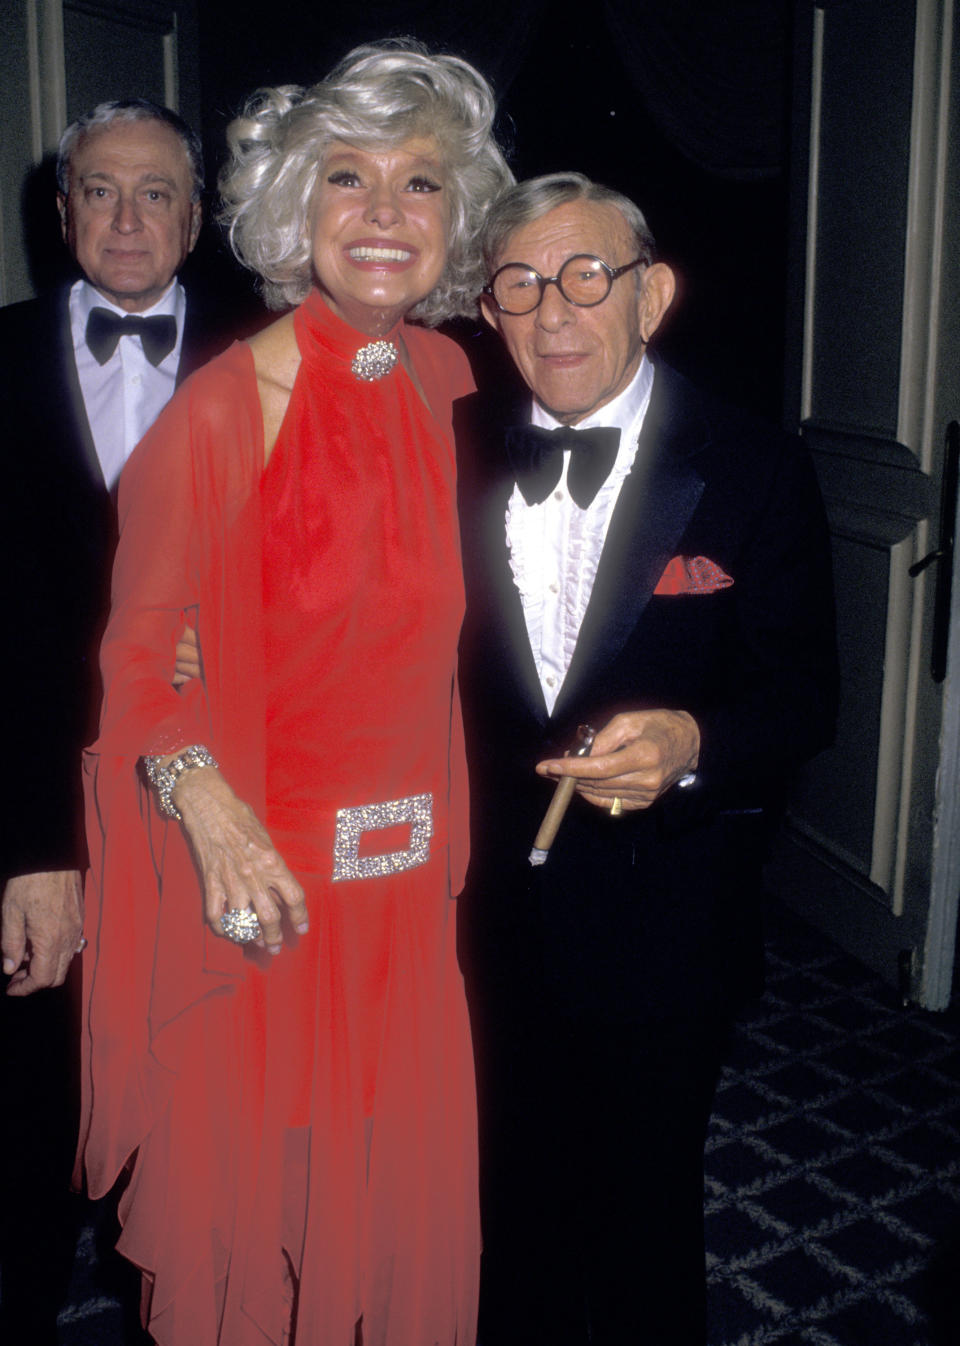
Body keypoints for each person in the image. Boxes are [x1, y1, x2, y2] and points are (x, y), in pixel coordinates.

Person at [74, 41, 512, 1346]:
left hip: (409, 908)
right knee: (262, 1244)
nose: (385, 212)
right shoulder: (221, 412)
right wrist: (208, 804)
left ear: (458, 219)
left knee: (382, 1228)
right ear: (288, 207)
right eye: (346, 177)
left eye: (422, 182)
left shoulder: (453, 387)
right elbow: (139, 665)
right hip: (270, 902)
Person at [454, 172, 839, 1346]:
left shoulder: (756, 465)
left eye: (586, 275)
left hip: (668, 920)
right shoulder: (447, 443)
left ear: (652, 293)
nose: (553, 313)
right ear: (488, 308)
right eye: (518, 284)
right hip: (484, 918)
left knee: (642, 1217)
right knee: (501, 1207)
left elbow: (805, 697)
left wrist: (694, 741)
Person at [0, 97, 227, 1345]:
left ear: (197, 217)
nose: (128, 218)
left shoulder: (278, 362)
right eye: (100, 190)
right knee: (31, 1100)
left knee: (198, 1103)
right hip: (41, 801)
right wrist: (29, 842)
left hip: (219, 806)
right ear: (62, 208)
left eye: (157, 193)